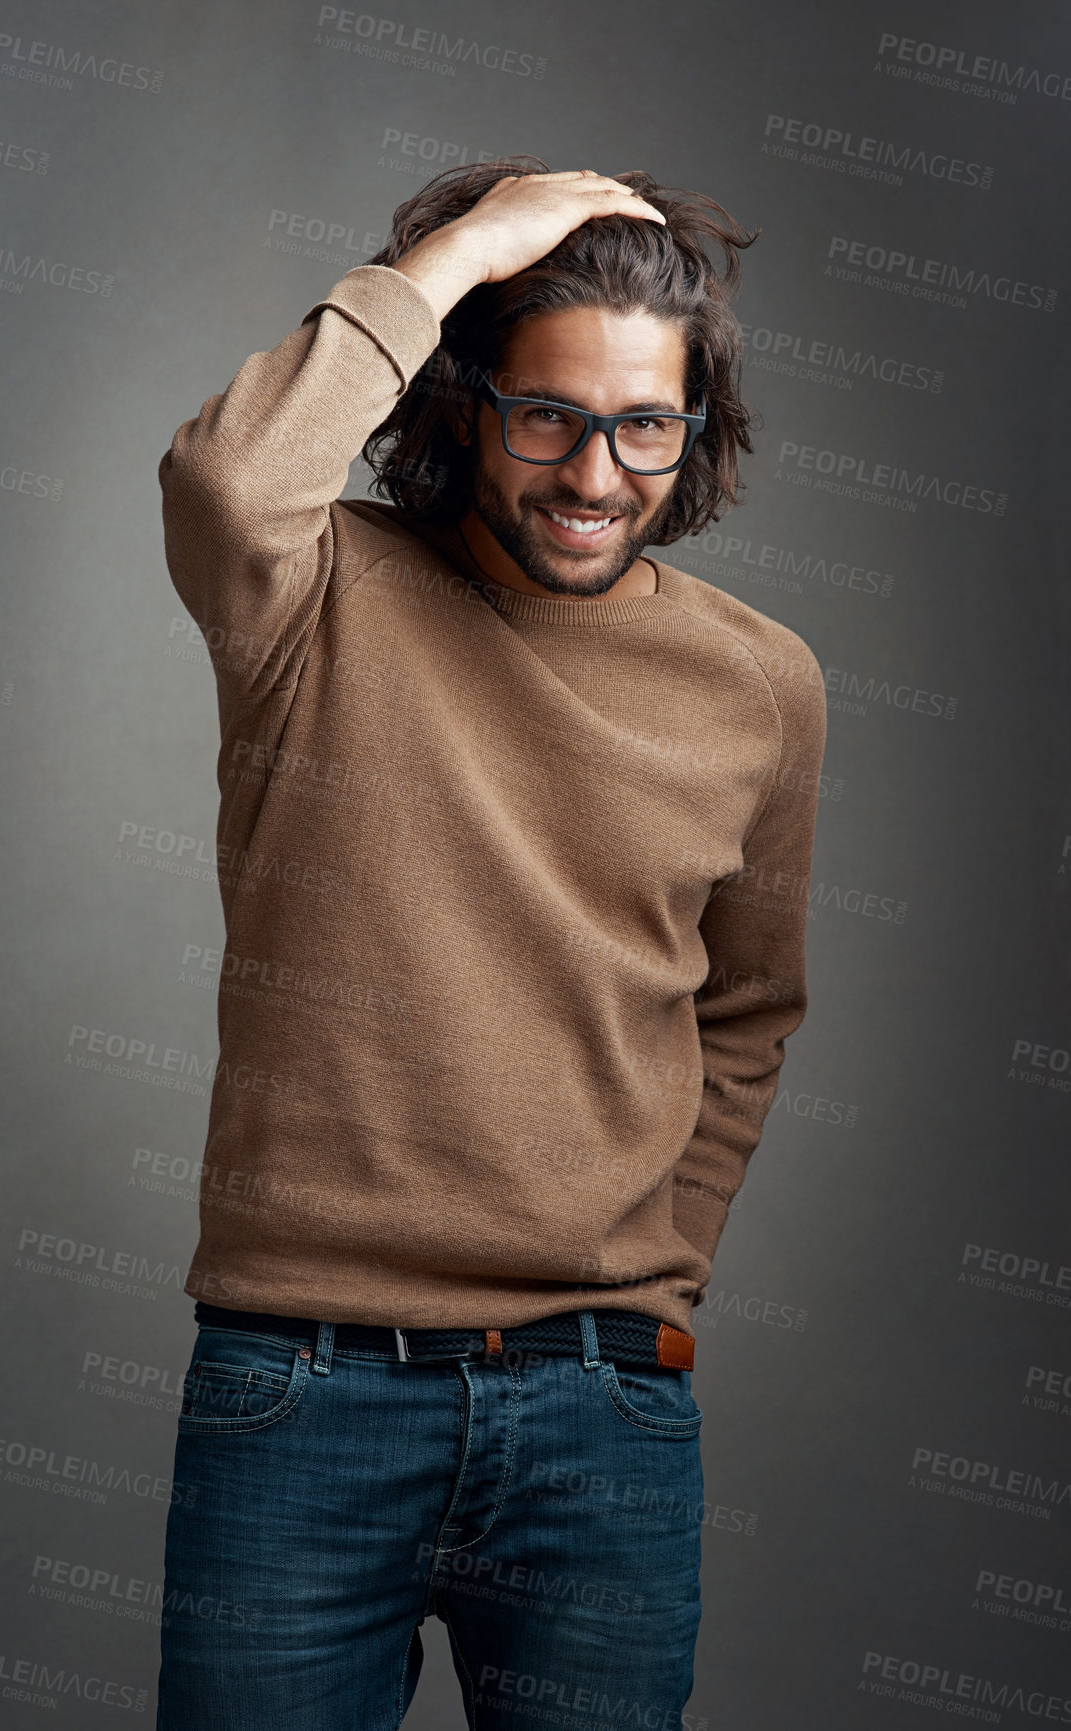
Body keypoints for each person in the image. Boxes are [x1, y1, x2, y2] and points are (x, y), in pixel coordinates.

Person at [154, 158, 826, 1731]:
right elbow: (226, 482)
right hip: (300, 1385)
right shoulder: (317, 595)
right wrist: (465, 251)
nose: (598, 473)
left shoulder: (763, 686)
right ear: (464, 404)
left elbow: (752, 1011)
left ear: (696, 430)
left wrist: (660, 1287)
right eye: (550, 416)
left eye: (645, 425)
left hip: (602, 1402)